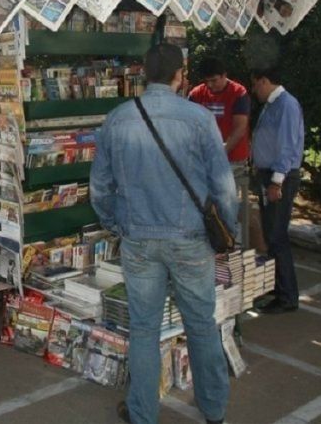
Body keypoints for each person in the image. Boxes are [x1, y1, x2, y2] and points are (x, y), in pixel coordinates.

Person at [90, 44, 237, 424]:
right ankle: (215, 410)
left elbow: (100, 189)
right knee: (202, 325)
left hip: (138, 239)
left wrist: (116, 225)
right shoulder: (199, 119)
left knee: (143, 328)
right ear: (180, 74)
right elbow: (224, 187)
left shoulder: (118, 119)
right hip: (190, 238)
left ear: (143, 75)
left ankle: (141, 413)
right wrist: (228, 234)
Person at [250, 67, 304, 314]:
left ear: (265, 80)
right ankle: (277, 287)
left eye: (255, 85)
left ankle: (287, 296)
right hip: (268, 174)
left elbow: (288, 146)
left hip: (279, 176)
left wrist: (276, 182)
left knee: (276, 236)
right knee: (271, 234)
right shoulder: (272, 104)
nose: (254, 90)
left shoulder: (286, 105)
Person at [189, 57, 252, 246]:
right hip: (203, 159)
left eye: (215, 80)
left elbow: (240, 128)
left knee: (223, 193)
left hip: (231, 159)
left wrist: (220, 152)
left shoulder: (239, 93)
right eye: (207, 81)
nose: (211, 85)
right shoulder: (196, 93)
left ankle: (230, 237)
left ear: (225, 76)